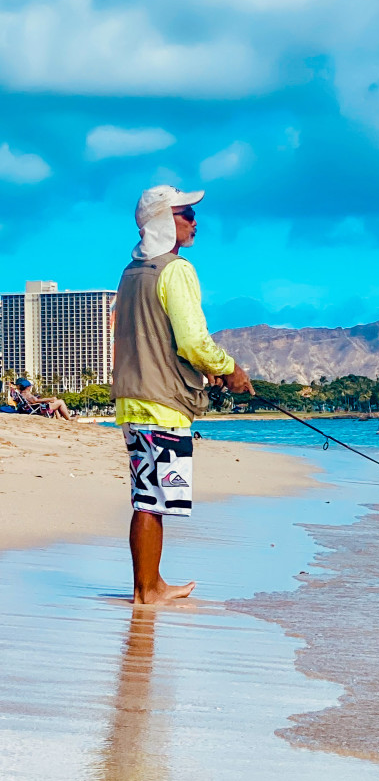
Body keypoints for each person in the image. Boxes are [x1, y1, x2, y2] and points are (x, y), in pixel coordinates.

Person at [111, 185, 254, 606]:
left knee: (145, 495)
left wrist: (204, 370)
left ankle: (147, 585)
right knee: (152, 502)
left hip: (131, 399)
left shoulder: (131, 272)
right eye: (185, 212)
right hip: (162, 402)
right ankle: (148, 590)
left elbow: (153, 338)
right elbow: (193, 341)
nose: (194, 221)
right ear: (162, 220)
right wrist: (230, 369)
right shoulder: (176, 270)